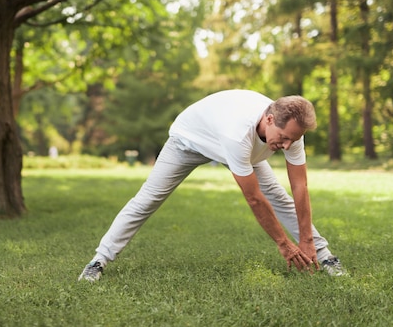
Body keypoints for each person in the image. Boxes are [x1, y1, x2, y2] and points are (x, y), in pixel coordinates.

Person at [78, 89, 346, 281]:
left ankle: (323, 255)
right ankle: (98, 260)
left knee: (278, 194)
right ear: (269, 119)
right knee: (148, 200)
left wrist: (306, 241)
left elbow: (300, 187)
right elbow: (253, 198)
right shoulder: (237, 133)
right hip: (189, 140)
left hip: (241, 147)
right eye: (284, 138)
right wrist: (285, 244)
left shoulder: (292, 130)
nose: (287, 146)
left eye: (293, 140)